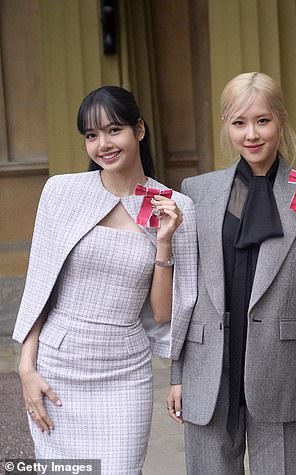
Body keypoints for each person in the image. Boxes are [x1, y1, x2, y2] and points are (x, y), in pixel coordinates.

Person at [13, 86, 197, 474]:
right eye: (91, 135)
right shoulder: (61, 193)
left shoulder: (176, 206)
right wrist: (27, 370)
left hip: (125, 374)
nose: (102, 144)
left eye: (114, 130)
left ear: (140, 130)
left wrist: (163, 243)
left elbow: (164, 314)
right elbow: (39, 288)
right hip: (57, 368)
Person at [166, 71, 296, 475]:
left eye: (262, 120)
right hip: (209, 366)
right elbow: (185, 291)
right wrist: (178, 372)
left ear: (280, 120)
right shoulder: (198, 191)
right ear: (226, 125)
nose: (251, 134)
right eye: (239, 122)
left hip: (279, 367)